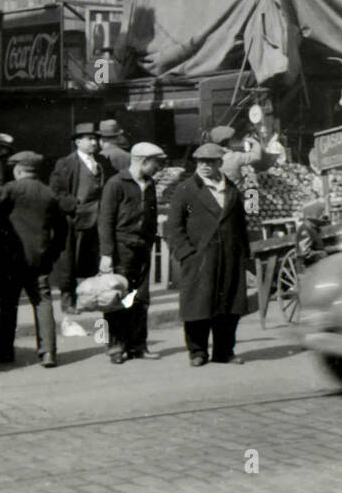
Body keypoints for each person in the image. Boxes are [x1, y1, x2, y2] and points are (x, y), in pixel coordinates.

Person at [164, 142, 252, 367]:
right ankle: (197, 351)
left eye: (210, 162)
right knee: (197, 306)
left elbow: (240, 223)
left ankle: (224, 351)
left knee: (229, 307)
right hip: (199, 258)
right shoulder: (186, 189)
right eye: (200, 161)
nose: (204, 166)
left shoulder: (231, 189)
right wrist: (185, 253)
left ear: (220, 163)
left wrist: (244, 254)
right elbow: (174, 226)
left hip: (229, 257)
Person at [0, 151, 66, 368]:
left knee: (8, 304)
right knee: (43, 302)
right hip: (40, 259)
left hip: (11, 259)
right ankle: (48, 352)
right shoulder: (49, 194)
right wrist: (52, 253)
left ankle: (4, 350)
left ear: (17, 170)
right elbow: (61, 229)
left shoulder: (10, 190)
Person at [98, 141, 166, 364]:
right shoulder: (116, 183)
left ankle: (138, 345)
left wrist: (150, 239)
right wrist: (106, 254)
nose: (159, 168)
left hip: (142, 248)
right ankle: (115, 347)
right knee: (116, 299)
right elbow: (105, 220)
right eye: (156, 163)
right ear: (143, 161)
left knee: (141, 298)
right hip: (120, 249)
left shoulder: (150, 184)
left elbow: (152, 214)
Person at [49, 123, 116, 312]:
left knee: (94, 258)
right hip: (75, 218)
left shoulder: (103, 161)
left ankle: (92, 299)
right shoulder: (66, 163)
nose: (94, 142)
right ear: (78, 142)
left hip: (98, 216)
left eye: (95, 139)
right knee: (70, 259)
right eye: (89, 139)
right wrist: (73, 206)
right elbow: (56, 190)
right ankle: (67, 299)